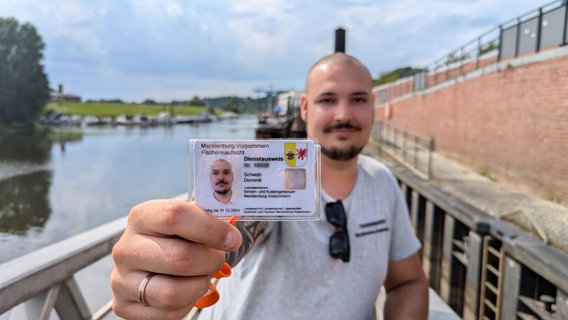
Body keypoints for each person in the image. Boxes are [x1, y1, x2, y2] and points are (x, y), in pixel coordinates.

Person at [110, 53, 429, 319]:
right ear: (305, 109)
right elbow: (235, 233)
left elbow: (409, 282)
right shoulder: (273, 175)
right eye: (328, 100)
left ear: (372, 106)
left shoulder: (383, 182)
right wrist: (178, 260)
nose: (343, 115)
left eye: (358, 100)